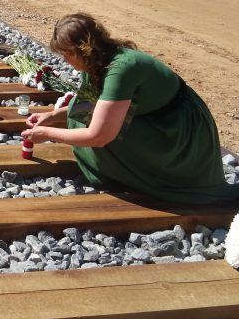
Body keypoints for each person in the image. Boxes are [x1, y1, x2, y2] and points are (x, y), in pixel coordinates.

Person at [22, 13, 239, 205]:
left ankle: (153, 178)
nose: (65, 60)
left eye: (67, 54)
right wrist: (52, 116)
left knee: (96, 129)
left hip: (179, 130)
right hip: (154, 116)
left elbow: (99, 135)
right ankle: (125, 171)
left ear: (82, 50)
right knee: (78, 115)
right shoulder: (97, 62)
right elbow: (86, 106)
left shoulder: (122, 69)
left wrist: (47, 134)